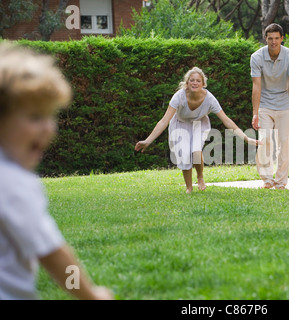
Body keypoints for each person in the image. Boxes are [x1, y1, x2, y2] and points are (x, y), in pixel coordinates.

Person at [0, 42, 114, 300]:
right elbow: (52, 255)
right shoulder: (13, 184)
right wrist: (90, 295)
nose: (49, 129)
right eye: (35, 117)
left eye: (51, 117)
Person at [135, 67, 260, 193]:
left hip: (199, 124)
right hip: (180, 123)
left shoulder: (210, 99)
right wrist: (148, 141)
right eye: (192, 80)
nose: (195, 83)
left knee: (195, 151)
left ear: (203, 84)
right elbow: (164, 121)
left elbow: (226, 120)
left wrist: (245, 137)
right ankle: (189, 187)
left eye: (198, 81)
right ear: (187, 83)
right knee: (184, 153)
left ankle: (200, 177)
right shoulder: (179, 96)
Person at [250, 23, 289, 190]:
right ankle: (267, 179)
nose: (273, 42)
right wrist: (255, 113)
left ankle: (281, 182)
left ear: (282, 39)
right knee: (265, 140)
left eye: (276, 38)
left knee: (283, 143)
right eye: (270, 38)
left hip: (284, 104)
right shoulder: (257, 57)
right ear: (265, 39)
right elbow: (256, 86)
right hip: (265, 103)